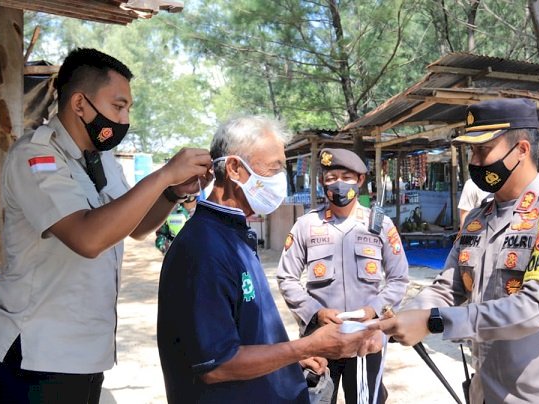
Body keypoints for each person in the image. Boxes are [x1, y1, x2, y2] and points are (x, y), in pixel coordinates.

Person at [0, 48, 211, 403]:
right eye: (118, 106)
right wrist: (164, 173)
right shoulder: (36, 156)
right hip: (36, 358)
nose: (125, 117)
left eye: (128, 109)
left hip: (84, 353)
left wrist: (171, 192)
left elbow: (133, 226)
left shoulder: (101, 159)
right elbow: (88, 238)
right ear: (79, 104)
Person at [374, 98, 539, 403]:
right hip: (486, 390)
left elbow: (533, 309)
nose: (476, 163)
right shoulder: (478, 219)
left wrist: (434, 320)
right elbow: (448, 287)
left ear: (521, 149)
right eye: (472, 152)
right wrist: (407, 315)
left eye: (483, 150)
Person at [157, 116, 379, 404]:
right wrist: (302, 347)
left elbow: (246, 331)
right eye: (273, 169)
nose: (278, 181)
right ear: (236, 168)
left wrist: (291, 356)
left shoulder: (233, 233)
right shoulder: (202, 248)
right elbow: (218, 364)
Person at [277, 148, 409, 404]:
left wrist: (374, 310)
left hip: (366, 340)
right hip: (320, 340)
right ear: (322, 183)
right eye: (331, 177)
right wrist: (315, 312)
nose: (338, 184)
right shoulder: (306, 225)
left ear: (360, 180)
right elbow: (286, 278)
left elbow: (399, 279)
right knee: (316, 399)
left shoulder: (379, 224)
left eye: (346, 176)